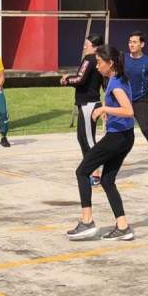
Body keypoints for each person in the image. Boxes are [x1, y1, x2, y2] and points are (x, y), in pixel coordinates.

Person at [67, 45, 137, 242]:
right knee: (107, 180)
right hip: (125, 136)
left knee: (82, 171)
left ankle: (87, 222)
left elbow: (129, 111)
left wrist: (104, 108)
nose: (97, 66)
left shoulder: (114, 84)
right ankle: (123, 227)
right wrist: (108, 111)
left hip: (117, 138)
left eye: (99, 62)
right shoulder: (119, 79)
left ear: (110, 63)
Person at [61, 34, 105, 187]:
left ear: (94, 46)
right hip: (87, 103)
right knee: (82, 138)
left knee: (88, 139)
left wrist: (66, 80)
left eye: (87, 44)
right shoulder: (98, 61)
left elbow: (80, 79)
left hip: (89, 104)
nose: (84, 46)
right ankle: (90, 168)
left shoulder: (89, 59)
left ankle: (96, 173)